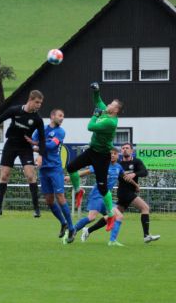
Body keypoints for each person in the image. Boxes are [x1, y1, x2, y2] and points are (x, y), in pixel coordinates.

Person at [65, 82, 122, 231]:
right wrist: (96, 90)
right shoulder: (106, 111)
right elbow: (98, 101)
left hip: (103, 157)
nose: (108, 104)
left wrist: (94, 115)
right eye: (109, 103)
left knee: (103, 188)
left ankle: (110, 214)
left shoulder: (111, 122)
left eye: (111, 104)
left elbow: (90, 127)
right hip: (92, 151)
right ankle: (79, 191)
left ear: (116, 110)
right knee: (70, 167)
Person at [0, 90, 47, 217]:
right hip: (11, 145)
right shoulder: (15, 110)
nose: (39, 105)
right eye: (37, 102)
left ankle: (36, 210)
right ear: (30, 100)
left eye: (41, 103)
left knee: (30, 176)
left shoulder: (37, 119)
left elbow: (43, 139)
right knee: (4, 175)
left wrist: (40, 155)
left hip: (25, 147)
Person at [80, 143, 160, 244]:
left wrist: (134, 175)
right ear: (121, 152)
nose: (125, 150)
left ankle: (88, 230)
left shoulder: (136, 161)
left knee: (112, 216)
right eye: (123, 148)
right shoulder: (118, 164)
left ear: (132, 151)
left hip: (128, 192)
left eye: (127, 148)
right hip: (124, 192)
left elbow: (145, 172)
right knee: (145, 208)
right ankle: (146, 236)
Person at [29, 109, 75, 243]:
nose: (62, 118)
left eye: (63, 116)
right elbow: (32, 142)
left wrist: (37, 148)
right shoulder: (41, 129)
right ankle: (63, 223)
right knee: (49, 200)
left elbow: (50, 146)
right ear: (52, 116)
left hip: (55, 168)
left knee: (60, 197)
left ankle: (71, 228)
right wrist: (37, 149)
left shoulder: (60, 132)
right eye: (60, 115)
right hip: (43, 169)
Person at [70, 148, 125, 245]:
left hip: (106, 197)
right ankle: (72, 230)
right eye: (110, 153)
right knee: (91, 217)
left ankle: (112, 241)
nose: (112, 155)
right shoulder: (102, 164)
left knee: (118, 216)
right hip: (97, 195)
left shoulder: (119, 167)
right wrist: (71, 176)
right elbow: (87, 171)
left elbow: (124, 176)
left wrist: (135, 183)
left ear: (118, 155)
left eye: (114, 153)